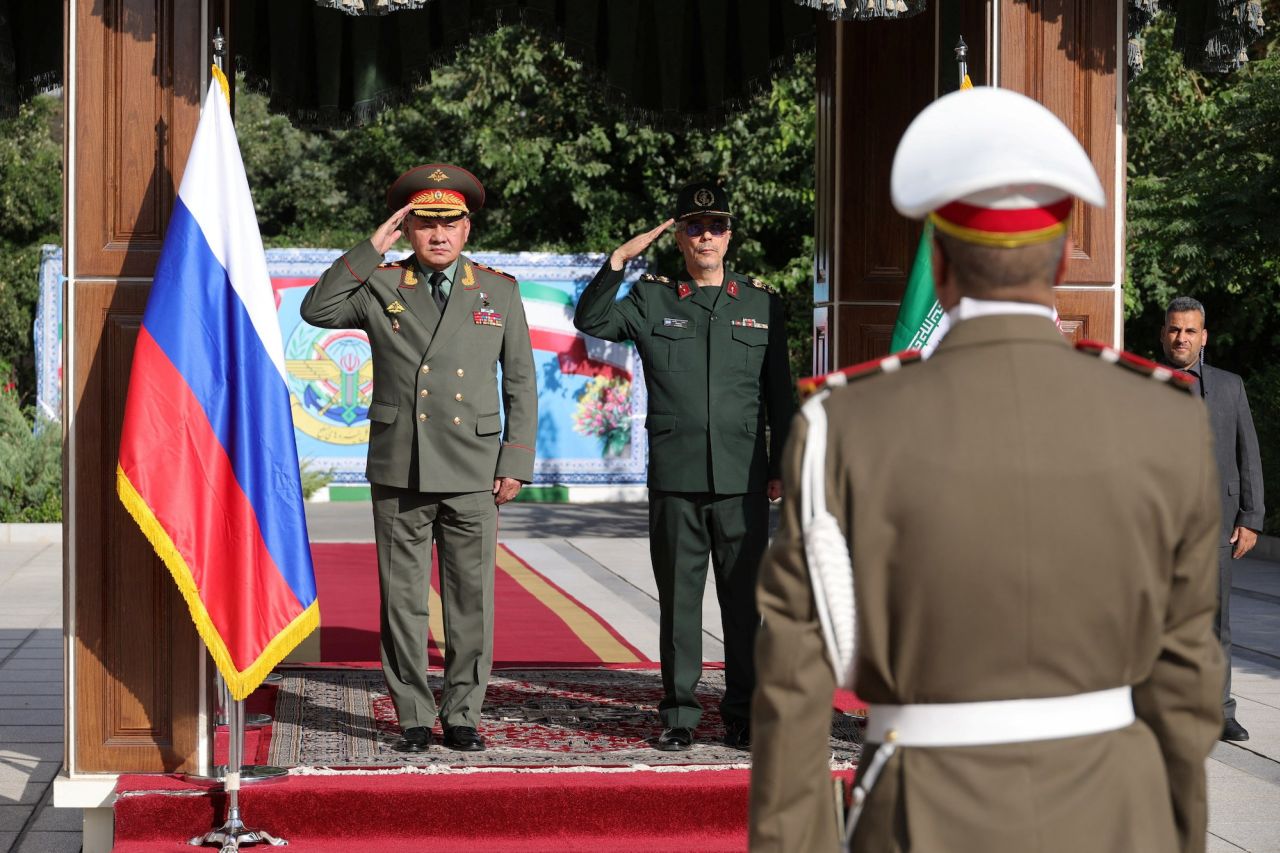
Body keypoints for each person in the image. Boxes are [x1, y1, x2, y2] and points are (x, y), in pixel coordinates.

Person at [750, 87, 1224, 853]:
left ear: (936, 261)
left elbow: (793, 691)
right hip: (1118, 810)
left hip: (920, 809)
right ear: (1065, 254)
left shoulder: (840, 424)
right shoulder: (1167, 419)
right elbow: (1188, 681)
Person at [300, 163, 537, 753]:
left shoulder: (499, 291)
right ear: (407, 230)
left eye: (449, 223)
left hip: (474, 468)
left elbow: (521, 384)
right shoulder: (381, 285)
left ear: (467, 228)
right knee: (402, 600)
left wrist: (515, 459)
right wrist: (369, 246)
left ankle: (463, 713)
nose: (438, 235)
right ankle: (411, 713)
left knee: (470, 601)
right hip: (402, 465)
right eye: (424, 223)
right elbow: (316, 310)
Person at [573, 181, 795, 751]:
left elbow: (780, 395)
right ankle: (679, 714)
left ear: (729, 235)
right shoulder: (652, 298)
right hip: (675, 477)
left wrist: (781, 466)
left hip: (742, 478)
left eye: (715, 227)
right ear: (678, 236)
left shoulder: (763, 303)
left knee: (744, 604)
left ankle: (743, 712)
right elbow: (592, 322)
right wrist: (618, 261)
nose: (705, 237)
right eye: (694, 228)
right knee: (678, 601)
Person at [1160, 295, 1265, 742]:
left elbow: (1248, 454)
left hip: (1217, 524)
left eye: (1189, 331)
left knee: (1217, 622)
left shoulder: (1230, 385)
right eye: (1173, 329)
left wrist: (1252, 517)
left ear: (1203, 337)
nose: (1180, 338)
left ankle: (1220, 711)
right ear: (1163, 334)